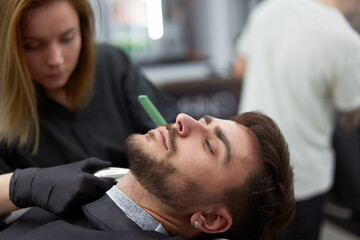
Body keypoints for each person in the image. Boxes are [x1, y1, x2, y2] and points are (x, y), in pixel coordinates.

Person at [0, 0, 178, 223]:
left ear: (83, 29)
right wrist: (28, 185)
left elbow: (172, 131)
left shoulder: (111, 64)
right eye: (33, 45)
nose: (56, 60)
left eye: (67, 38)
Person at [0, 112, 296, 240]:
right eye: (201, 120)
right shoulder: (98, 183)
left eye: (209, 145)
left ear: (211, 219)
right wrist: (18, 187)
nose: (183, 120)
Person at [233, 0, 360, 239]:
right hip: (304, 175)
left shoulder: (267, 10)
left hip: (249, 165)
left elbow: (240, 68)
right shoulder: (346, 39)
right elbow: (350, 112)